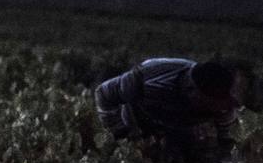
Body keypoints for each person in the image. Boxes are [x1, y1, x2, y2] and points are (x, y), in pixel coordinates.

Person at [95, 58, 256, 156]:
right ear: (193, 92)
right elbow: (103, 93)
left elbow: (226, 142)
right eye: (211, 104)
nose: (221, 109)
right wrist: (119, 134)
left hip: (179, 127)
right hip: (137, 119)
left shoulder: (220, 101)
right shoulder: (144, 80)